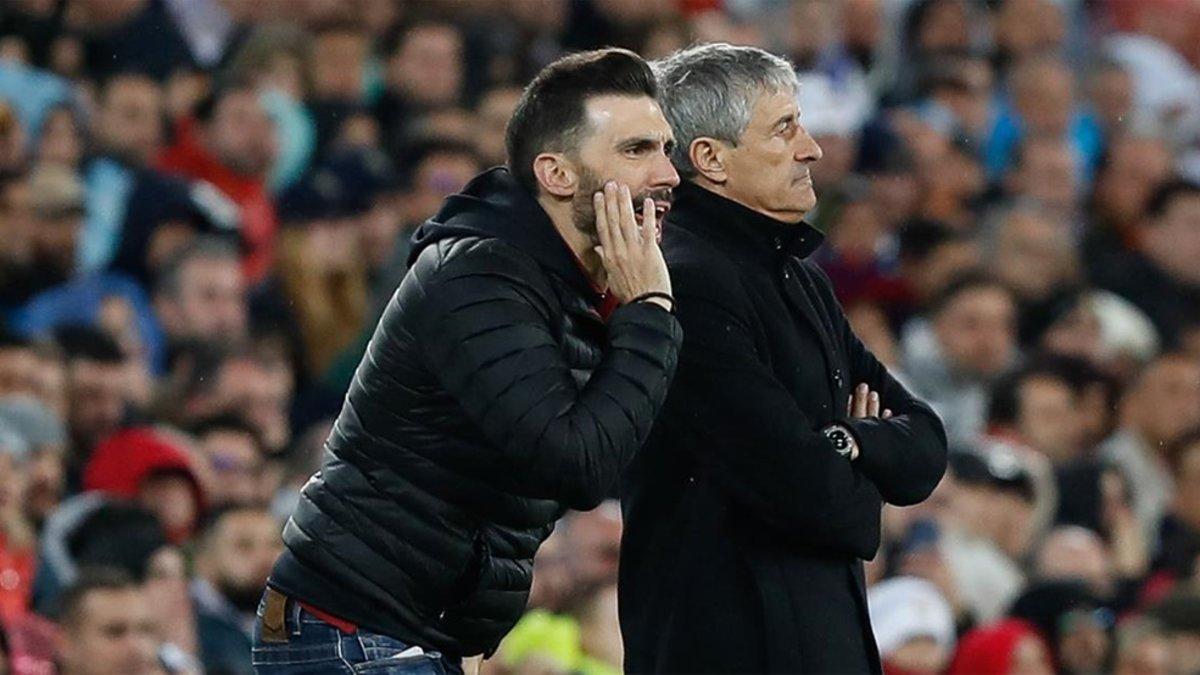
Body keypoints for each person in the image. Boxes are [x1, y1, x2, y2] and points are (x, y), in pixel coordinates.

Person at [255, 48, 682, 674]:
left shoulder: (575, 284)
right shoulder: (480, 276)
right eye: (637, 150)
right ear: (558, 174)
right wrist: (650, 309)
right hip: (359, 633)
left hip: (416, 636)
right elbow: (576, 462)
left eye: (666, 149)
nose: (668, 174)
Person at [619, 43, 947, 673]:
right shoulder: (684, 282)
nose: (812, 148)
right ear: (710, 159)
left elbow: (926, 446)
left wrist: (847, 442)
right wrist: (863, 468)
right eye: (784, 128)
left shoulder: (802, 280)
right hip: (728, 648)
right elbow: (815, 497)